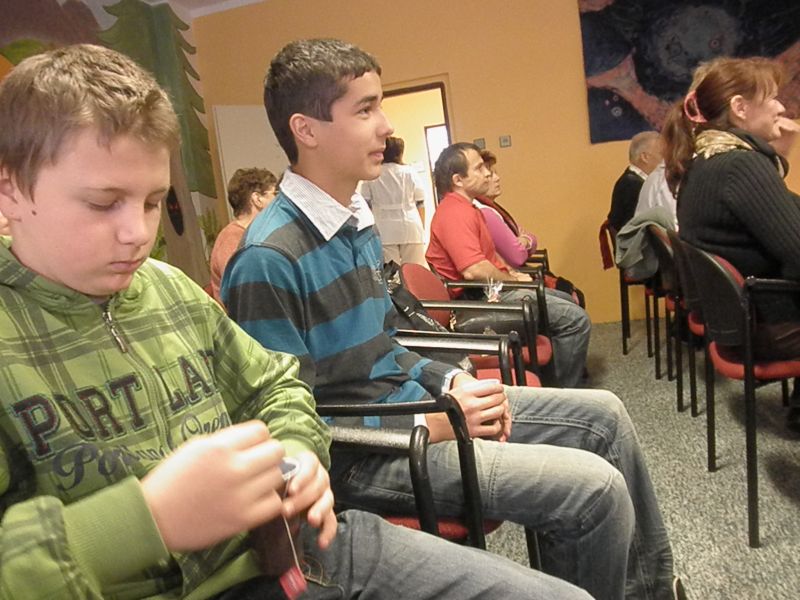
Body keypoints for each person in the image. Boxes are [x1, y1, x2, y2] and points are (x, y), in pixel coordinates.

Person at [0, 43, 594, 600]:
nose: (137, 233)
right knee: (585, 490)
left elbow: (277, 385)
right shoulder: (266, 256)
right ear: (9, 190)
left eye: (154, 202)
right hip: (271, 538)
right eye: (103, 203)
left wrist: (294, 451)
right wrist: (146, 519)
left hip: (295, 548)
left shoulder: (167, 288)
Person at [222, 38, 685, 600]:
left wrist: (451, 382)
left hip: (412, 413)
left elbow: (388, 347)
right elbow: (287, 432)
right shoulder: (267, 259)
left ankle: (650, 590)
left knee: (604, 415)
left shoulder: (353, 220)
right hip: (363, 457)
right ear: (307, 130)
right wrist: (427, 423)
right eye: (365, 110)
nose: (385, 126)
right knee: (592, 490)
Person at [664, 55, 800, 429]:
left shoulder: (706, 160)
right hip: (768, 322)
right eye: (772, 97)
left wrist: (779, 154)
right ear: (740, 108)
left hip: (739, 318)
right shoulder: (741, 165)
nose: (781, 108)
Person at [426, 142, 591, 388]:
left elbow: (490, 258)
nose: (487, 173)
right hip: (480, 299)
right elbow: (474, 270)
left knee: (566, 300)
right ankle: (565, 393)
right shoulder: (454, 213)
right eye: (479, 168)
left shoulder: (469, 209)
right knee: (576, 321)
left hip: (491, 291)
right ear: (458, 180)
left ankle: (552, 381)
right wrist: (513, 280)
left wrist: (513, 273)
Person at [209, 167, 277, 302]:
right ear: (257, 199)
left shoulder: (254, 235)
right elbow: (247, 294)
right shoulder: (231, 240)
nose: (279, 201)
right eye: (275, 194)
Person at [360, 135, 427, 266]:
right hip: (411, 226)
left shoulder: (373, 174)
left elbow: (365, 204)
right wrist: (421, 228)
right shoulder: (410, 172)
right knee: (415, 270)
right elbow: (420, 202)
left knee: (391, 272)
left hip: (384, 229)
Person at [473, 149, 538, 268]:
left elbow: (527, 237)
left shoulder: (494, 208)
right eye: (490, 175)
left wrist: (526, 240)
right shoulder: (485, 212)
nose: (497, 178)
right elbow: (517, 257)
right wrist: (526, 241)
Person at [607, 131, 663, 233]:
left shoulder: (630, 180)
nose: (666, 159)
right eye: (662, 154)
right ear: (645, 157)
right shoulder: (632, 186)